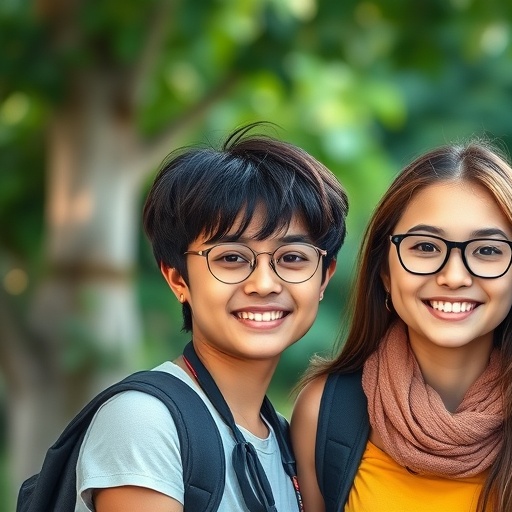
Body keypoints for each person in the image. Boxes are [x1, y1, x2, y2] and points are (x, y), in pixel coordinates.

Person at [74, 123, 348, 512]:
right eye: (232, 258)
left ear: (324, 277)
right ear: (177, 278)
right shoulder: (145, 421)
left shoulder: (290, 444)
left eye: (292, 258)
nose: (264, 283)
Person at [291, 141, 512, 512]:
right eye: (425, 248)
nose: (453, 276)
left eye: (486, 250)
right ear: (385, 270)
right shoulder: (326, 410)